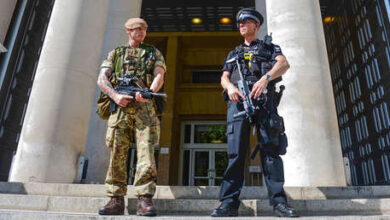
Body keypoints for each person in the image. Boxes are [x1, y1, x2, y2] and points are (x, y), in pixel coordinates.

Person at [211, 8, 298, 218]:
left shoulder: (269, 47)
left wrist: (265, 78)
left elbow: (284, 63)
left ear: (256, 26)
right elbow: (224, 77)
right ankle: (229, 203)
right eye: (239, 23)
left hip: (264, 101)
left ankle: (279, 203)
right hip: (238, 102)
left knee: (271, 153)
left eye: (246, 22)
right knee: (236, 154)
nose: (241, 25)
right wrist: (230, 87)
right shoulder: (233, 53)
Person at [97, 18, 166, 216]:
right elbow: (102, 79)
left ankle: (144, 199)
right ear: (128, 30)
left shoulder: (153, 52)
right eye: (137, 29)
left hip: (144, 109)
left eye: (144, 29)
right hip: (120, 109)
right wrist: (115, 96)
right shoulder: (116, 53)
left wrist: (149, 93)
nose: (142, 32)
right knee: (117, 153)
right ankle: (115, 199)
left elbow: (159, 74)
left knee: (146, 152)